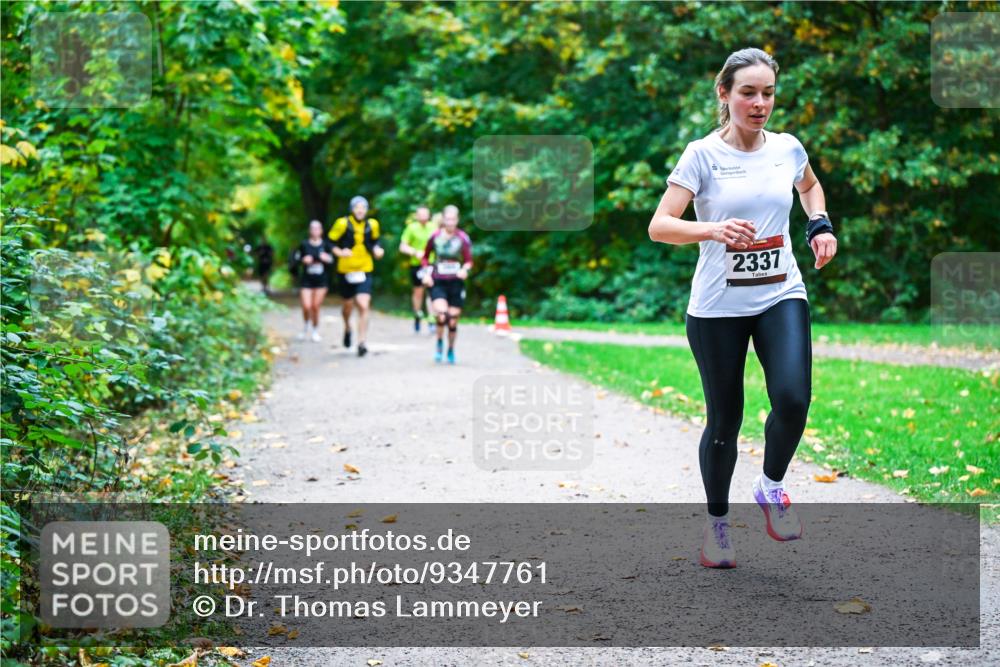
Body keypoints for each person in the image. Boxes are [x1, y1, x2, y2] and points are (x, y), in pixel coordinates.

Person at [647, 47, 837, 568]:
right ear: (724, 94)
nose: (759, 104)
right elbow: (660, 225)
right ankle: (718, 527)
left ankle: (771, 487)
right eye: (748, 93)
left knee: (794, 398)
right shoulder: (702, 155)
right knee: (725, 420)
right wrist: (711, 229)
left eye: (768, 93)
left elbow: (811, 187)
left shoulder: (787, 149)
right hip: (717, 307)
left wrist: (818, 223)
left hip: (781, 292)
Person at [329, 196, 384, 357]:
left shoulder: (372, 225)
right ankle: (347, 327)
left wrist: (377, 250)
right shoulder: (342, 223)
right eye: (357, 207)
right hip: (346, 269)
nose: (360, 210)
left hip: (365, 268)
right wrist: (340, 252)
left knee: (363, 304)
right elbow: (330, 242)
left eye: (363, 208)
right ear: (352, 209)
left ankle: (361, 342)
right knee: (347, 306)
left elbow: (376, 242)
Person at [421, 205, 473, 364]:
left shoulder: (462, 238)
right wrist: (426, 274)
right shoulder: (435, 236)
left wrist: (465, 269)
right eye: (448, 219)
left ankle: (450, 348)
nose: (450, 222)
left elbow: (469, 261)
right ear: (443, 219)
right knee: (442, 315)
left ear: (457, 220)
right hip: (438, 281)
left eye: (453, 219)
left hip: (456, 283)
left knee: (452, 320)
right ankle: (439, 343)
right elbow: (425, 258)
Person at [291, 221, 335, 342]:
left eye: (317, 228)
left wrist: (327, 259)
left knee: (315, 306)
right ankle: (306, 326)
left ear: (321, 231)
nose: (315, 231)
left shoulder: (326, 245)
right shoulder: (304, 244)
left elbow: (333, 260)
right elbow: (296, 259)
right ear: (310, 231)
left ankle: (315, 330)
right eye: (313, 228)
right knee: (306, 306)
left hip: (321, 280)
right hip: (306, 280)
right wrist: (303, 260)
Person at [399, 205, 437, 333]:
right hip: (417, 265)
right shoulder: (411, 228)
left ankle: (432, 319)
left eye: (425, 214)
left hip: (431, 264)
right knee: (418, 292)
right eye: (420, 214)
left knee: (432, 291)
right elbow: (402, 247)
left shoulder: (434, 227)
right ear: (416, 215)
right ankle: (417, 314)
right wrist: (415, 252)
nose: (423, 217)